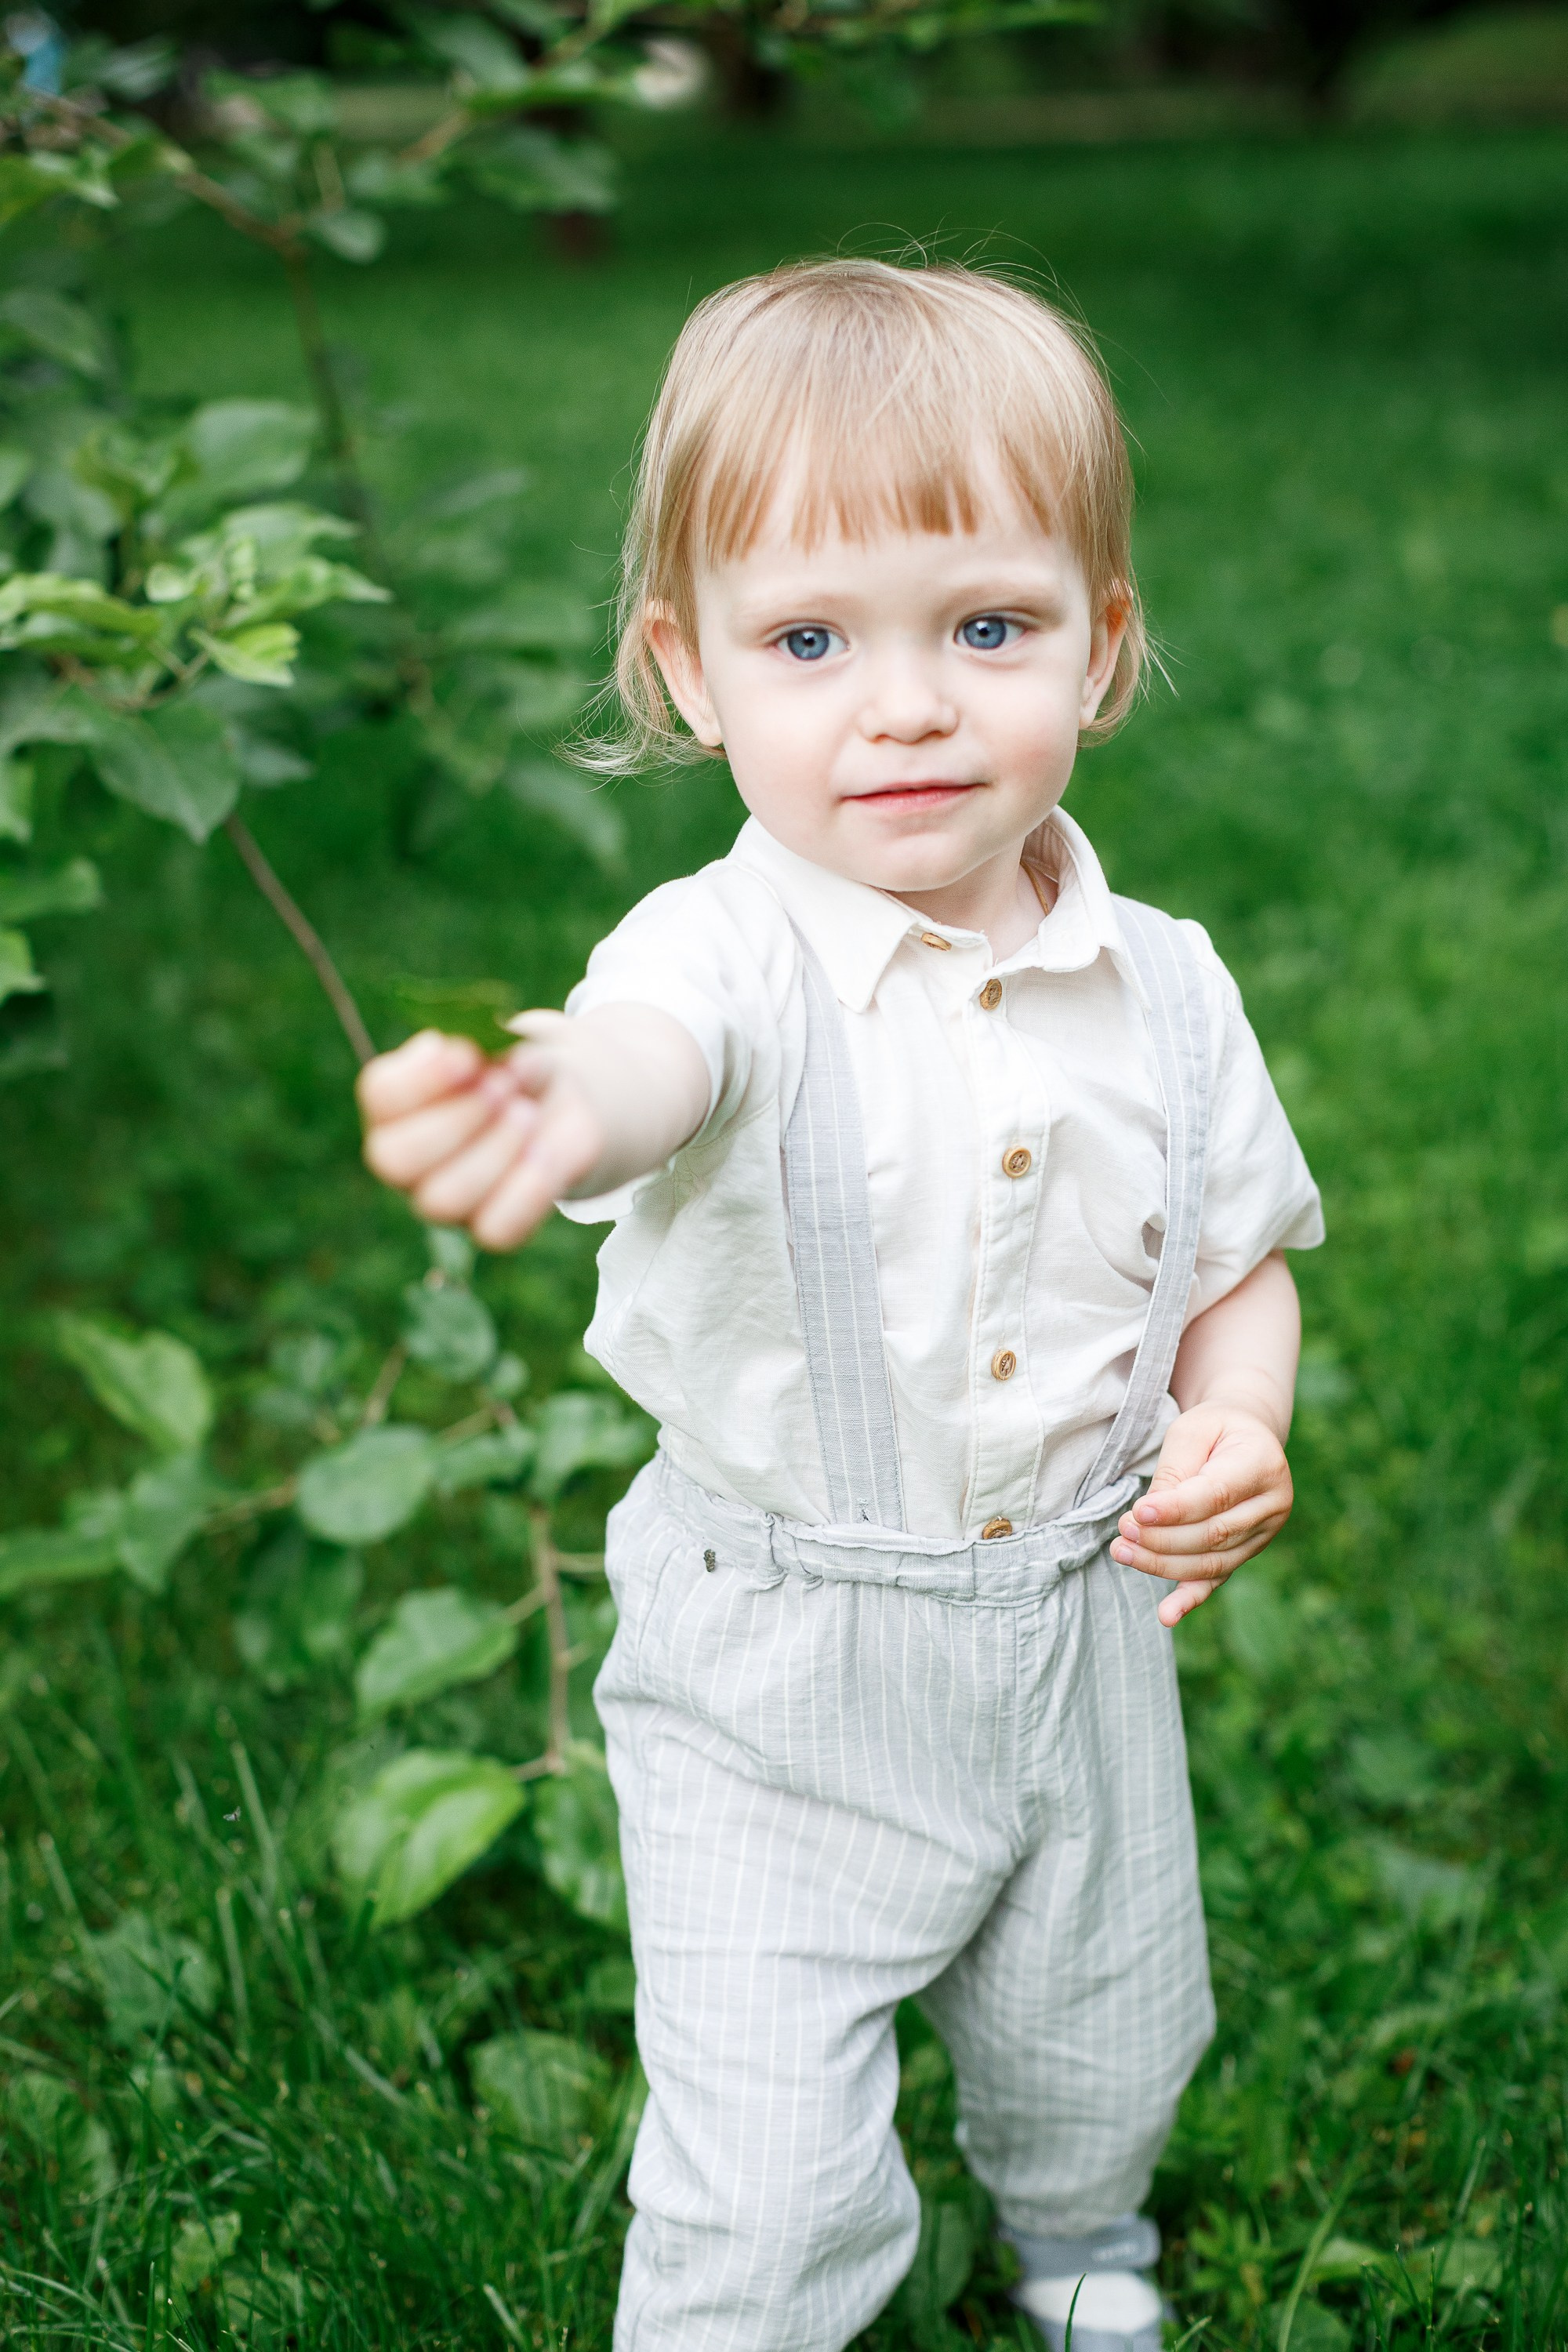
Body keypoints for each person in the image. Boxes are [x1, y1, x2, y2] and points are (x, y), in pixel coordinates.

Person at [356, 259, 1323, 2352]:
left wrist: (1239, 1416)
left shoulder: (1167, 983)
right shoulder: (715, 958)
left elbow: (1233, 1261)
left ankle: (1080, 2238)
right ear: (688, 669)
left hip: (1081, 1630)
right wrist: (553, 1100)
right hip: (774, 1672)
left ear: (1102, 645)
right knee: (768, 2167)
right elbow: (643, 1065)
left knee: (1105, 2029)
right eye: (810, 640)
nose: (906, 705)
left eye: (988, 628)